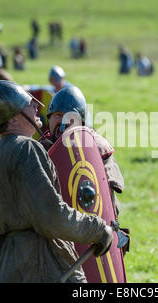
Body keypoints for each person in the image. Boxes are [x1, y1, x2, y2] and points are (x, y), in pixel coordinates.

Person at [0, 80, 113, 283]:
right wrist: (96, 229)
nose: (37, 106)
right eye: (28, 104)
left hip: (12, 266)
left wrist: (1, 271)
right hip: (43, 264)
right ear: (14, 119)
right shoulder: (27, 149)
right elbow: (51, 215)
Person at [41, 85, 125, 219]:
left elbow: (109, 202)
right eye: (58, 115)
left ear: (81, 123)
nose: (64, 121)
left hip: (93, 225)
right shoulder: (38, 149)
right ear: (49, 119)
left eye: (70, 117)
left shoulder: (97, 148)